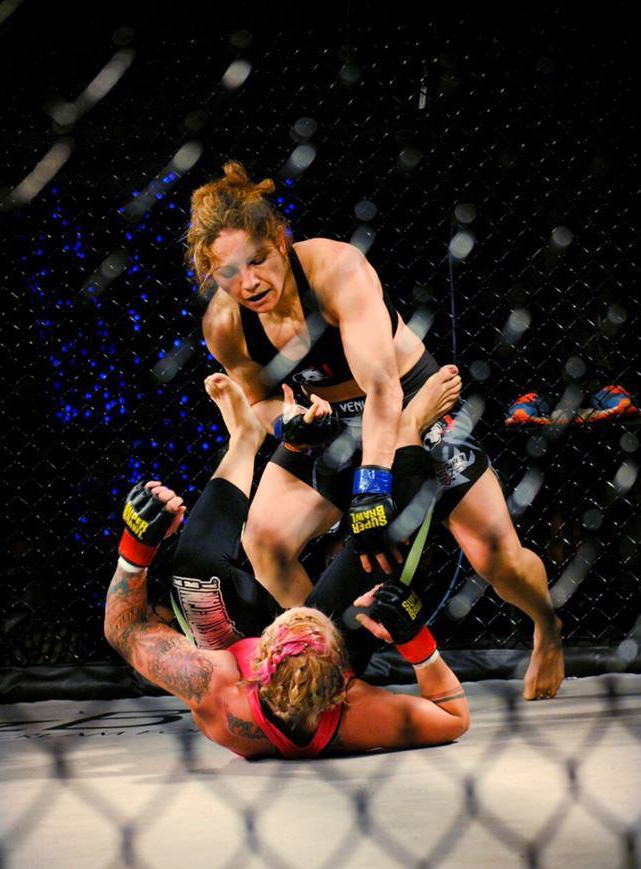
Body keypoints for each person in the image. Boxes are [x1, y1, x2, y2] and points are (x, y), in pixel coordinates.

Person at [187, 161, 564, 700]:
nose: (249, 282)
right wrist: (291, 425)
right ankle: (335, 673)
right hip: (331, 421)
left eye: (258, 260)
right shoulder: (224, 325)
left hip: (410, 400)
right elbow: (261, 399)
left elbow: (383, 388)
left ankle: (547, 624)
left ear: (280, 241)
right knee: (264, 540)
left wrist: (371, 486)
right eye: (228, 272)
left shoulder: (336, 269)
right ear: (210, 271)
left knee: (497, 560)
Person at [104, 379, 470, 759]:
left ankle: (245, 439)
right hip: (326, 659)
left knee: (195, 576)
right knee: (380, 538)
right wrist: (416, 641)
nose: (295, 614)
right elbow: (454, 717)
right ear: (342, 682)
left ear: (261, 659)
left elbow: (124, 629)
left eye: (289, 624)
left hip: (238, 654)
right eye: (309, 623)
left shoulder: (217, 688)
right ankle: (409, 428)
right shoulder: (358, 713)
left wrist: (135, 549)